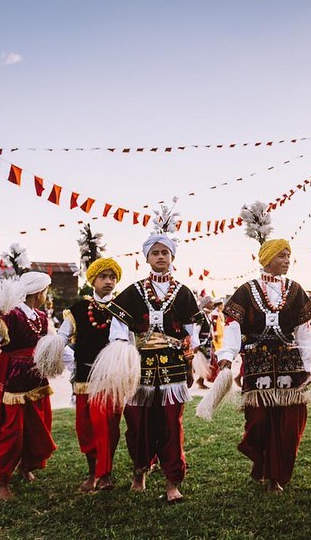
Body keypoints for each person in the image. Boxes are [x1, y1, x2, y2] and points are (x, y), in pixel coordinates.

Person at [105, 211, 203, 502]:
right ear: (146, 258)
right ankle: (140, 471)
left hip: (172, 368)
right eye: (155, 253)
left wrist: (191, 344)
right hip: (140, 368)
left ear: (172, 257)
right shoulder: (132, 292)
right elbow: (118, 327)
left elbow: (193, 327)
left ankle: (173, 481)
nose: (161, 257)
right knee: (138, 422)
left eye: (165, 253)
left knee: (172, 424)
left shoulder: (183, 292)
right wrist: (123, 352)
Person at [216, 237, 311, 493]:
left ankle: (275, 476)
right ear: (267, 259)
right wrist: (227, 354)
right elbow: (233, 326)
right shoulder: (246, 291)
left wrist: (310, 364)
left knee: (289, 423)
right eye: (281, 256)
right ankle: (261, 459)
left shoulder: (295, 290)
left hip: (290, 364)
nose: (287, 260)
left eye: (288, 255)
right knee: (259, 421)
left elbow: (304, 331)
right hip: (257, 363)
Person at [0, 271, 56, 501]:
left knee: (36, 425)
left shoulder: (41, 316)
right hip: (12, 376)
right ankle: (2, 481)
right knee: (12, 430)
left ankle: (26, 464)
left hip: (35, 376)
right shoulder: (9, 314)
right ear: (40, 292)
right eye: (46, 291)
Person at [54, 258, 124, 492]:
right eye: (103, 277)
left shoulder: (121, 308)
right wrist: (52, 349)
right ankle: (92, 471)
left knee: (108, 426)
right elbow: (62, 336)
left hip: (111, 378)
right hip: (84, 377)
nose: (108, 281)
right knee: (86, 427)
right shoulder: (77, 309)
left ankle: (106, 474)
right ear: (92, 279)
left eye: (112, 277)